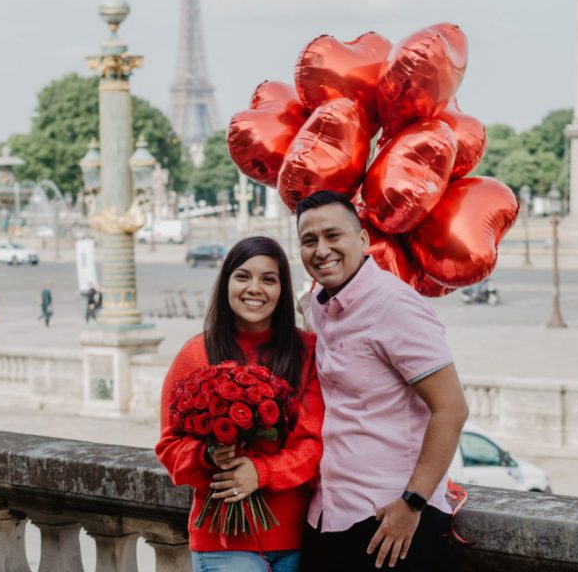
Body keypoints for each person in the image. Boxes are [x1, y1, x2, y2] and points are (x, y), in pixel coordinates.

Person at [296, 191, 469, 572]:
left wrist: (413, 503)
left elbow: (451, 408)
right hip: (329, 515)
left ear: (361, 240)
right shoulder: (324, 308)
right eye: (309, 241)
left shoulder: (395, 305)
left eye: (333, 236)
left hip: (390, 521)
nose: (321, 249)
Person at [155, 236, 324, 572]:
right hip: (223, 543)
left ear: (282, 289)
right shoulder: (196, 353)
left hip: (297, 539)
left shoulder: (307, 352)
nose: (255, 288)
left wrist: (261, 472)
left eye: (269, 279)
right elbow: (169, 447)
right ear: (226, 283)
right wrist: (207, 455)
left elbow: (314, 446)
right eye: (243, 276)